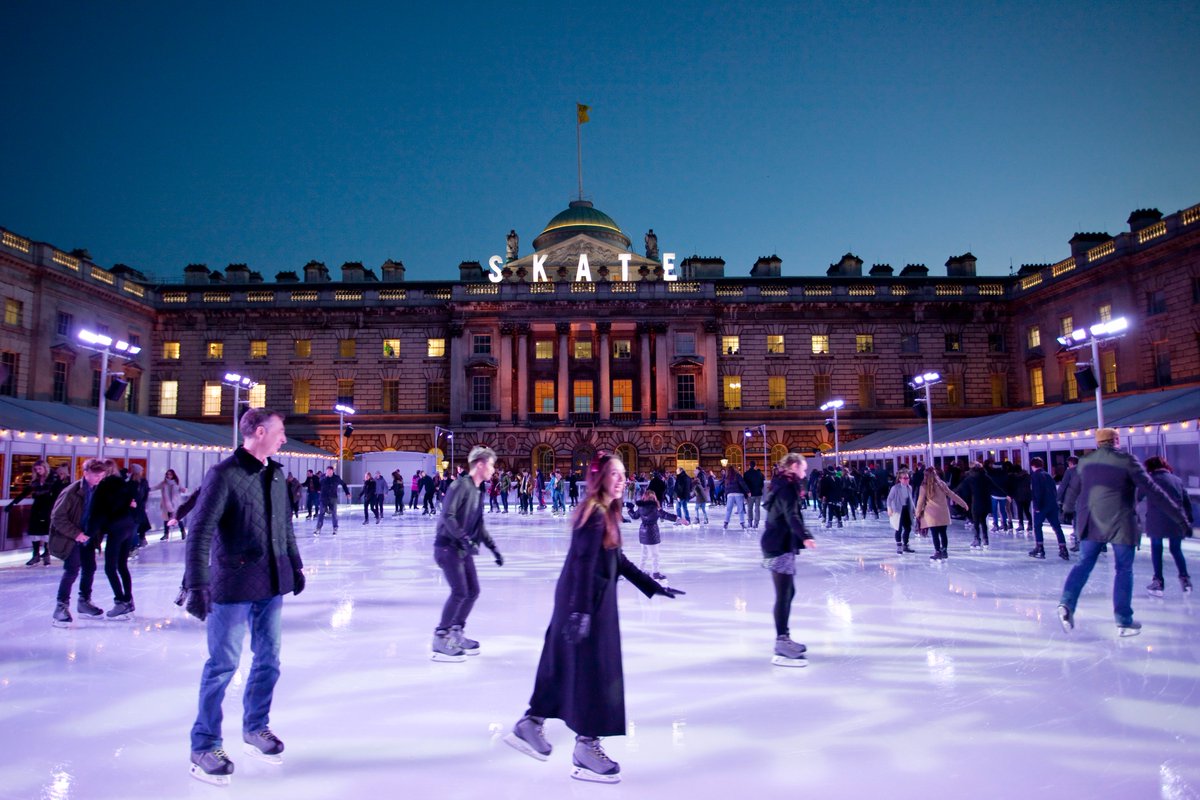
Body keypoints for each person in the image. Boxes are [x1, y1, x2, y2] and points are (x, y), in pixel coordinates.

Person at [504, 453, 684, 783]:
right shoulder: (594, 513)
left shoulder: (605, 512)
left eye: (624, 474)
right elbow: (584, 563)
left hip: (589, 601)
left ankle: (535, 724)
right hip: (583, 600)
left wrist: (653, 587)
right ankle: (583, 745)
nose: (622, 480)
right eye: (614, 474)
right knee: (595, 671)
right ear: (599, 478)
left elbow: (619, 560)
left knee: (572, 665)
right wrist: (581, 612)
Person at [183, 408, 305, 786]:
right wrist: (198, 584)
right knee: (222, 666)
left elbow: (284, 527)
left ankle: (256, 726)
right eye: (280, 432)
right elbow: (199, 532)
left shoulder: (276, 473)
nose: (284, 438)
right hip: (233, 585)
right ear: (259, 431)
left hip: (271, 583)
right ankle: (204, 744)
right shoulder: (224, 475)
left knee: (269, 660)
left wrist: (295, 565)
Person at [1057, 428, 1188, 637]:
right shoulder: (1128, 461)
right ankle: (1123, 620)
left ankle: (1067, 603)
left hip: (1092, 522)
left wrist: (1067, 509)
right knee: (1123, 570)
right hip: (1121, 523)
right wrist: (1179, 517)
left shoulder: (1085, 462)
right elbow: (1153, 491)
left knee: (1083, 564)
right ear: (1116, 440)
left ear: (1098, 443)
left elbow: (1073, 489)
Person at [431, 446, 503, 661]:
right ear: (480, 465)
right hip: (447, 546)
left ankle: (456, 632)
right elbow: (448, 515)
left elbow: (478, 526)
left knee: (473, 591)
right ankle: (440, 636)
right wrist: (464, 538)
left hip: (462, 548)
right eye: (491, 465)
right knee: (460, 591)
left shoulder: (479, 490)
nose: (493, 469)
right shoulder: (460, 485)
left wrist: (493, 548)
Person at [760, 453, 815, 666]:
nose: (805, 472)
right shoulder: (787, 488)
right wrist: (806, 537)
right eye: (803, 468)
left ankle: (784, 637)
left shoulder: (784, 484)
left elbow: (791, 516)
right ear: (793, 466)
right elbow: (791, 516)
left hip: (780, 543)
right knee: (784, 593)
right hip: (778, 544)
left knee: (789, 592)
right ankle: (781, 641)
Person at [48, 459, 110, 626]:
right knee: (72, 570)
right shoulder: (71, 491)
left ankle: (84, 602)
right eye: (96, 475)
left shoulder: (97, 490)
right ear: (85, 473)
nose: (99, 478)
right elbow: (57, 517)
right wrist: (76, 534)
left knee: (90, 568)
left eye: (102, 475)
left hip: (88, 537)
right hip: (71, 538)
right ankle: (61, 606)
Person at [89, 459, 141, 620]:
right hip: (128, 526)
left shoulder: (103, 487)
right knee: (122, 565)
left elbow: (97, 511)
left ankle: (121, 601)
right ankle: (128, 599)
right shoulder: (123, 484)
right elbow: (133, 500)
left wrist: (89, 533)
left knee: (110, 567)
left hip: (116, 528)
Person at [1140, 456, 1193, 597]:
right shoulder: (1177, 480)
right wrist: (1188, 519)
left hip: (1157, 520)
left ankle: (1158, 582)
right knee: (1176, 549)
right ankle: (1185, 579)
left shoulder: (1149, 480)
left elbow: (1137, 497)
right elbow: (1186, 501)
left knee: (1157, 549)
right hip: (1176, 520)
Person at [6, 459, 64, 565]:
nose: (38, 471)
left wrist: (54, 508)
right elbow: (25, 492)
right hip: (37, 508)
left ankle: (46, 553)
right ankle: (35, 555)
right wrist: (13, 503)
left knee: (46, 531)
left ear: (45, 468)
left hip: (49, 508)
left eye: (40, 469)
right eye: (36, 469)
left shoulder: (54, 479)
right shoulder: (36, 481)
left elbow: (58, 495)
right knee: (34, 531)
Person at [915, 465, 968, 561]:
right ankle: (944, 551)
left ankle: (937, 552)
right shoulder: (942, 484)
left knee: (935, 534)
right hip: (943, 513)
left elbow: (920, 501)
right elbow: (952, 494)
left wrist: (917, 513)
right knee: (943, 533)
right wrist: (963, 504)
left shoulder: (924, 486)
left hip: (931, 515)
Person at [629, 487, 683, 580]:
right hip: (652, 533)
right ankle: (656, 573)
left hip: (642, 533)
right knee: (655, 555)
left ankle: (640, 571)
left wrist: (629, 509)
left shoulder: (641, 507)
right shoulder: (655, 508)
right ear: (654, 498)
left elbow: (634, 516)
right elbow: (665, 515)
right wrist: (679, 519)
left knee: (644, 555)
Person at [1028, 457, 1069, 560]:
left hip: (1042, 506)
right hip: (1052, 505)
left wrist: (1037, 506)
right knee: (1057, 527)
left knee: (1037, 526)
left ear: (1033, 465)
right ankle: (1063, 548)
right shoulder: (1048, 475)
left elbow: (1037, 492)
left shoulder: (1036, 476)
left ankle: (1040, 548)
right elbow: (1054, 490)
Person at [886, 469, 916, 554]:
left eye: (908, 478)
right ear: (900, 479)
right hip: (898, 510)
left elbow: (911, 499)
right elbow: (889, 499)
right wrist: (889, 508)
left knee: (908, 528)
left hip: (907, 510)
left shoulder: (909, 487)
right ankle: (899, 545)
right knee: (898, 528)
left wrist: (914, 509)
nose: (907, 479)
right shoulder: (895, 488)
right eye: (905, 478)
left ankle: (905, 545)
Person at [315, 465, 350, 534]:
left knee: (334, 513)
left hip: (333, 498)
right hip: (323, 498)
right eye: (327, 471)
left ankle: (335, 527)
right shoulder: (323, 477)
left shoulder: (336, 478)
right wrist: (325, 477)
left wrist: (347, 493)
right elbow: (320, 483)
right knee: (321, 513)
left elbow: (344, 484)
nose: (328, 472)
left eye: (329, 471)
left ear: (332, 471)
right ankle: (318, 528)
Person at [153, 469, 188, 540]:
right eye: (167, 474)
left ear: (173, 475)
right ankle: (166, 534)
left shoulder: (177, 483)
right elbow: (155, 487)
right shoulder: (163, 483)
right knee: (166, 519)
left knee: (178, 518)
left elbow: (182, 489)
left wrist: (184, 490)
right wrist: (146, 489)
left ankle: (183, 532)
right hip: (166, 504)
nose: (168, 476)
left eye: (170, 474)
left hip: (175, 504)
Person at [1057, 456, 1081, 550]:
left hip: (1075, 500)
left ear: (1070, 463)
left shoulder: (1070, 471)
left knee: (1077, 521)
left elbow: (1063, 486)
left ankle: (1078, 543)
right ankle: (1101, 544)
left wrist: (1058, 498)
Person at [722, 465, 748, 529]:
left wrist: (726, 495)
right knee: (740, 509)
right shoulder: (738, 475)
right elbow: (742, 484)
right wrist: (747, 491)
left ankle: (726, 522)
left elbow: (726, 487)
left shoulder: (727, 477)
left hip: (730, 494)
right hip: (738, 494)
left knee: (729, 509)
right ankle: (742, 523)